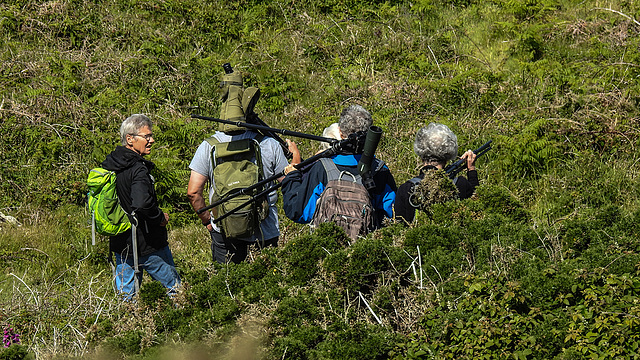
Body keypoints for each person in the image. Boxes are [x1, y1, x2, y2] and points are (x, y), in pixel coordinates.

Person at [281, 105, 397, 233]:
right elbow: (391, 214)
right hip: (366, 246)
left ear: (340, 132)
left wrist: (292, 177)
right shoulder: (379, 169)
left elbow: (299, 212)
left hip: (328, 247)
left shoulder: (322, 167)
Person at [100, 114, 181, 299]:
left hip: (120, 244)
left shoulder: (111, 165)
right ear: (130, 138)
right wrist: (160, 218)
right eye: (147, 136)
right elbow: (142, 203)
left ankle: (126, 327)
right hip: (147, 244)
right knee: (176, 290)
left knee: (126, 298)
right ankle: (187, 325)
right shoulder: (138, 168)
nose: (151, 140)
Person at [187, 125, 290, 264]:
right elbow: (289, 182)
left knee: (228, 280)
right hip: (265, 230)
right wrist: (295, 158)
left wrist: (208, 221)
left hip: (224, 232)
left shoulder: (208, 147)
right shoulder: (269, 143)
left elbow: (193, 193)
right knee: (266, 282)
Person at [394, 123, 479, 225]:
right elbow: (477, 208)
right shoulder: (460, 184)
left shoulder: (405, 189)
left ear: (421, 155)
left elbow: (399, 226)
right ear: (448, 155)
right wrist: (471, 170)